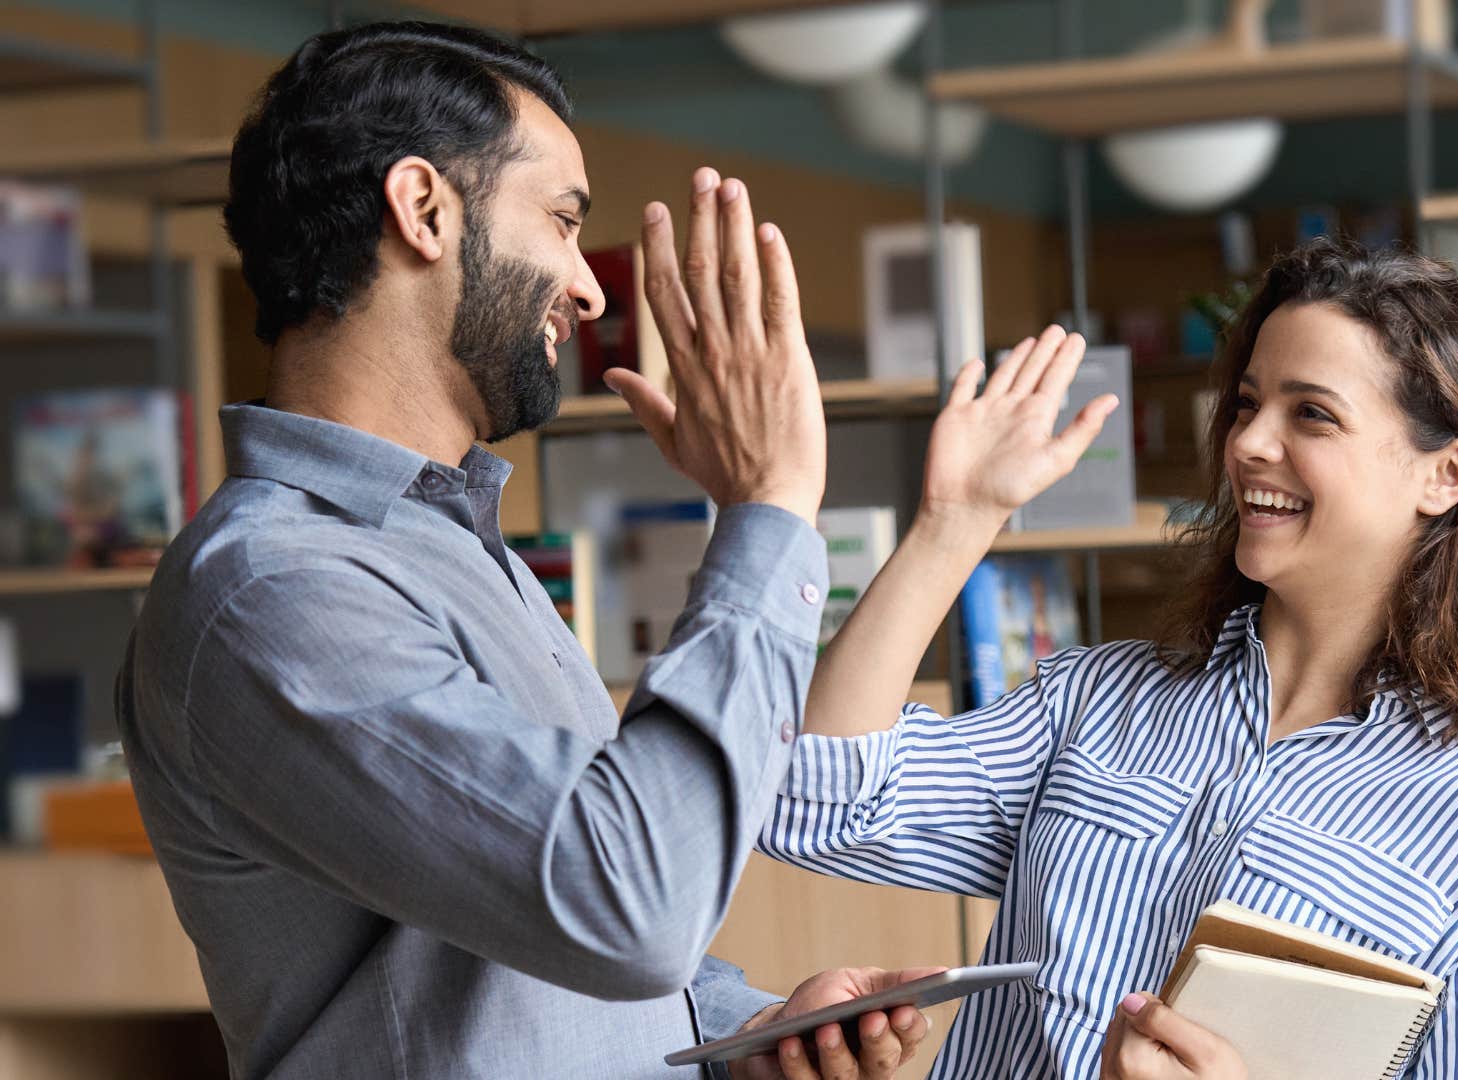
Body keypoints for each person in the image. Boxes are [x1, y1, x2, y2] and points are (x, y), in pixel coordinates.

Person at [117, 22, 939, 1080]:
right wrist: (769, 504)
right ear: (423, 211)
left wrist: (739, 1036)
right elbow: (629, 906)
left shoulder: (451, 544)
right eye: (559, 221)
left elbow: (528, 923)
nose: (589, 288)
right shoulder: (274, 591)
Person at [756, 241, 1458, 1077]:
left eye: (1312, 414)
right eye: (1248, 403)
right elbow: (813, 799)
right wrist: (954, 523)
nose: (1247, 442)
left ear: (1447, 473)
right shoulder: (1095, 701)